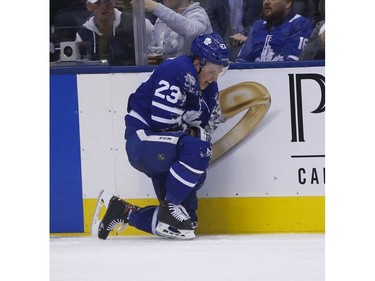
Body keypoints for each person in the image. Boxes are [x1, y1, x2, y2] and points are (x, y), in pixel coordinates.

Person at [97, 33, 230, 240]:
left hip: (168, 148)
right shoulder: (177, 70)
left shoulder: (209, 89)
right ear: (197, 63)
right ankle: (170, 205)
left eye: (218, 72)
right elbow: (163, 123)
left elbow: (203, 128)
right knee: (199, 149)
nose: (214, 78)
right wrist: (194, 137)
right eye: (211, 71)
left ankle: (122, 212)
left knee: (185, 225)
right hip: (142, 141)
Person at [75, 0, 152, 65]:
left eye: (107, 1)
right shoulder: (82, 35)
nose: (104, 7)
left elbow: (157, 52)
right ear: (88, 6)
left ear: (114, 1)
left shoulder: (138, 23)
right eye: (98, 3)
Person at [235, 0, 314, 62]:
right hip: (253, 80)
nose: (266, 2)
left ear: (288, 3)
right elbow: (242, 60)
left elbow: (291, 63)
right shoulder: (258, 26)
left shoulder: (300, 24)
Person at [139, 0, 213, 64]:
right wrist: (154, 58)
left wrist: (157, 8)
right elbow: (155, 48)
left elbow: (193, 32)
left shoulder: (199, 14)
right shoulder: (161, 19)